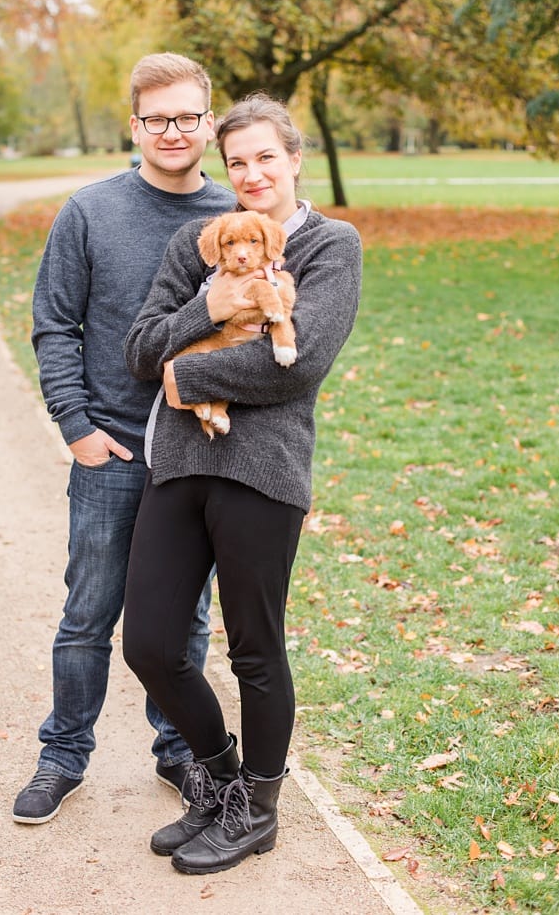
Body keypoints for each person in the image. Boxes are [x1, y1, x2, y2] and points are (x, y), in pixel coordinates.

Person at [121, 92, 362, 874]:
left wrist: (184, 376)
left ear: (294, 158)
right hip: (182, 462)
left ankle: (259, 808)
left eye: (266, 157)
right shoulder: (200, 243)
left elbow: (299, 366)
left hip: (264, 470)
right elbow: (138, 348)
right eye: (237, 162)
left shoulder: (332, 246)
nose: (252, 173)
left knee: (255, 650)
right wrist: (206, 306)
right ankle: (222, 782)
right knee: (151, 642)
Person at [17, 52, 236, 824]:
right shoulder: (90, 211)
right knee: (89, 613)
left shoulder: (233, 216)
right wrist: (76, 428)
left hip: (200, 452)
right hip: (112, 448)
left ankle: (180, 753)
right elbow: (54, 324)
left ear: (209, 123)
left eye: (186, 117)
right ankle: (62, 756)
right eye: (155, 119)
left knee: (188, 619)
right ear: (134, 126)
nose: (171, 131)